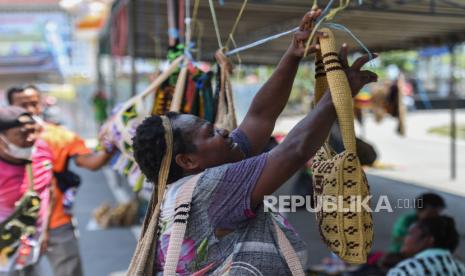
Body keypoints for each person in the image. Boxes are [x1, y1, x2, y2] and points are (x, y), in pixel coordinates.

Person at [129, 10, 378, 274]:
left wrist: (293, 54)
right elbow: (295, 150)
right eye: (210, 133)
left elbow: (260, 117)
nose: (224, 132)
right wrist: (337, 93)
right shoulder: (209, 188)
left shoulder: (188, 186)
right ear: (188, 160)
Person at [7, 85, 114, 276]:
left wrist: (112, 144)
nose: (31, 110)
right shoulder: (4, 141)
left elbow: (89, 162)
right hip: (14, 229)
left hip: (57, 223)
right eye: (23, 105)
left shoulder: (53, 137)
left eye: (34, 103)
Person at [0, 106, 54, 275]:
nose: (31, 138)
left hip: (30, 250)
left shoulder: (42, 150)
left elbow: (49, 190)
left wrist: (45, 231)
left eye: (33, 131)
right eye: (22, 134)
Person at [387, 215, 465, 275]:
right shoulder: (461, 269)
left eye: (410, 234)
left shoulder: (407, 270)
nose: (404, 239)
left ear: (429, 240)